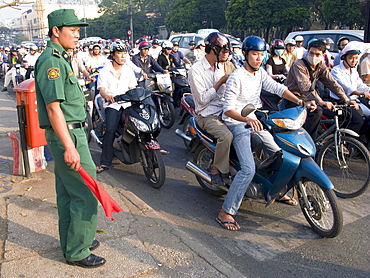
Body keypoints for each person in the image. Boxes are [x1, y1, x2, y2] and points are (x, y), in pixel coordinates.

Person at [218, 35, 315, 231]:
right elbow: (227, 110)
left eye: (261, 55)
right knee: (248, 169)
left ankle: (278, 189)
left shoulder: (260, 73)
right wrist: (246, 119)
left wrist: (300, 101)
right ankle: (225, 212)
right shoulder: (237, 77)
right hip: (237, 123)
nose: (258, 58)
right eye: (254, 54)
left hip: (255, 120)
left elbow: (278, 88)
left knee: (279, 153)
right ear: (245, 54)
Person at [34, 9, 105, 268]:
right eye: (72, 30)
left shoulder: (61, 58)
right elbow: (54, 108)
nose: (77, 35)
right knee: (86, 192)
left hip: (70, 132)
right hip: (68, 134)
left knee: (68, 194)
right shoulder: (52, 61)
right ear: (56, 31)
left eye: (78, 30)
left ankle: (74, 241)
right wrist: (69, 147)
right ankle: (78, 250)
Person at [188, 32, 233, 188]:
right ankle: (216, 170)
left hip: (224, 110)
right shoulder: (196, 70)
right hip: (207, 115)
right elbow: (202, 99)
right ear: (213, 49)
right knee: (226, 136)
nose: (225, 53)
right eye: (222, 50)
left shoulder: (221, 66)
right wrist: (220, 82)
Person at [285, 40, 353, 140]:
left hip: (312, 99)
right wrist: (320, 101)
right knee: (317, 111)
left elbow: (331, 82)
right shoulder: (298, 65)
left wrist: (346, 99)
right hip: (294, 98)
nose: (314, 57)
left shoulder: (321, 65)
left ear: (323, 55)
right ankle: (307, 141)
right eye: (311, 53)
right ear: (307, 52)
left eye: (317, 54)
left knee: (343, 111)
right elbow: (306, 87)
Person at [96, 40, 138, 173]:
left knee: (139, 124)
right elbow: (101, 89)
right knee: (110, 130)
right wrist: (107, 96)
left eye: (124, 53)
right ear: (113, 55)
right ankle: (105, 161)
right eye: (120, 53)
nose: (123, 56)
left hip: (126, 103)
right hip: (112, 105)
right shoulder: (105, 71)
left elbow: (132, 87)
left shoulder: (129, 70)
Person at [330, 42, 370, 121]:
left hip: (356, 101)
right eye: (351, 58)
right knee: (358, 121)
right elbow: (346, 87)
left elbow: (360, 86)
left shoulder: (354, 71)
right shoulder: (336, 70)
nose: (354, 60)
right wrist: (360, 93)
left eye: (356, 58)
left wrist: (368, 91)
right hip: (341, 103)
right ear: (344, 58)